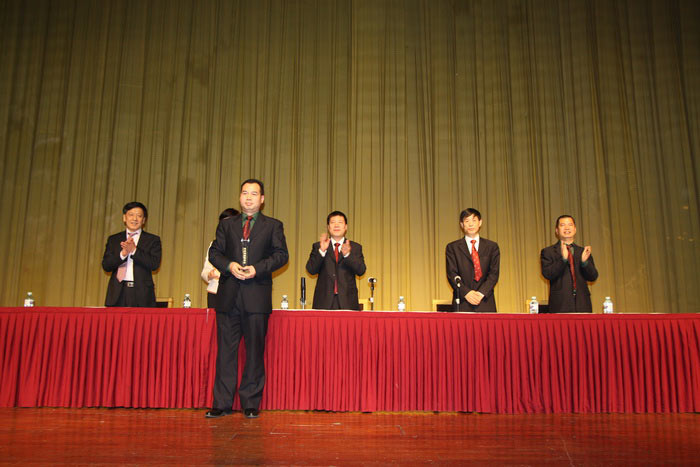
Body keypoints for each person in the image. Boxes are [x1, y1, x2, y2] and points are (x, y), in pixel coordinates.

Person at [206, 179, 289, 419]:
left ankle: (250, 403)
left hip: (256, 296)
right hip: (228, 296)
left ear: (262, 199)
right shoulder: (226, 225)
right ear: (240, 197)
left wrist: (257, 269)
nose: (249, 197)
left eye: (254, 194)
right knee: (225, 353)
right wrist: (229, 265)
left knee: (254, 352)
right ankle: (221, 403)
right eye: (245, 193)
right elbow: (215, 253)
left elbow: (281, 255)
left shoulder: (273, 225)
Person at [102, 202, 162, 307]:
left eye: (139, 216)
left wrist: (134, 251)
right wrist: (123, 254)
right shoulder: (114, 239)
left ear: (144, 220)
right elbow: (106, 265)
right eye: (131, 215)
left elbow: (154, 264)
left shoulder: (153, 240)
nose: (135, 219)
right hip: (117, 293)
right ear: (124, 218)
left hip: (142, 293)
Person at [305, 211, 367, 310]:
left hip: (347, 302)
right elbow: (311, 270)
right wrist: (322, 251)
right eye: (333, 222)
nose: (336, 225)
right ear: (328, 227)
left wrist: (347, 255)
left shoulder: (355, 247)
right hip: (323, 302)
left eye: (340, 222)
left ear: (345, 227)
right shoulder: (318, 246)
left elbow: (361, 270)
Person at [445, 208, 500, 312]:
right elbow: (451, 274)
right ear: (462, 224)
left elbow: (494, 274)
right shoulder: (453, 247)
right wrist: (467, 293)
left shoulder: (492, 247)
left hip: (485, 300)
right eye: (467, 221)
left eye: (474, 220)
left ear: (480, 222)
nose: (471, 224)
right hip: (463, 301)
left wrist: (481, 293)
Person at [540, 215, 598, 313]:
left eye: (570, 225)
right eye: (562, 225)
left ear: (575, 229)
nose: (567, 228)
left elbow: (593, 277)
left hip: (583, 303)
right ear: (557, 230)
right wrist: (563, 259)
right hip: (560, 304)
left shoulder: (582, 251)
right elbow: (548, 274)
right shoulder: (548, 252)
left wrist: (585, 263)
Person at [201, 208, 240, 309]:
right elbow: (205, 272)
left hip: (237, 293)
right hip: (215, 292)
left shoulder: (245, 244)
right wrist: (209, 275)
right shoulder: (215, 245)